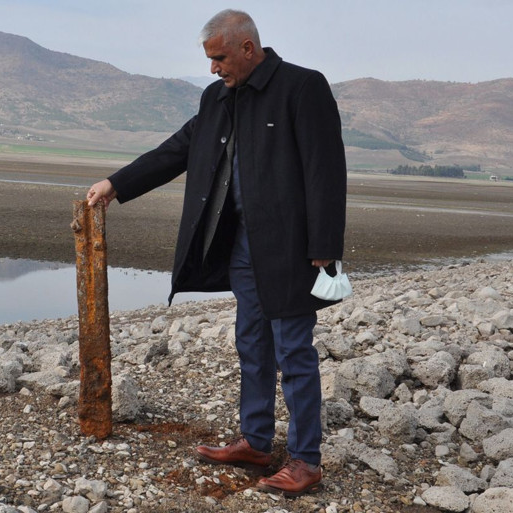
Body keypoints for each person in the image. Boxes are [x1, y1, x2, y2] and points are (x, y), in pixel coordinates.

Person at [87, 9, 346, 497]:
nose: (213, 68)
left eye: (220, 58)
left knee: (293, 352)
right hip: (241, 247)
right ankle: (256, 442)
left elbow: (325, 168)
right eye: (210, 60)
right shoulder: (218, 97)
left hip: (292, 249)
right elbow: (176, 150)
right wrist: (116, 184)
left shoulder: (302, 87)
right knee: (251, 344)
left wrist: (325, 246)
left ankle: (306, 460)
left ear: (248, 48)